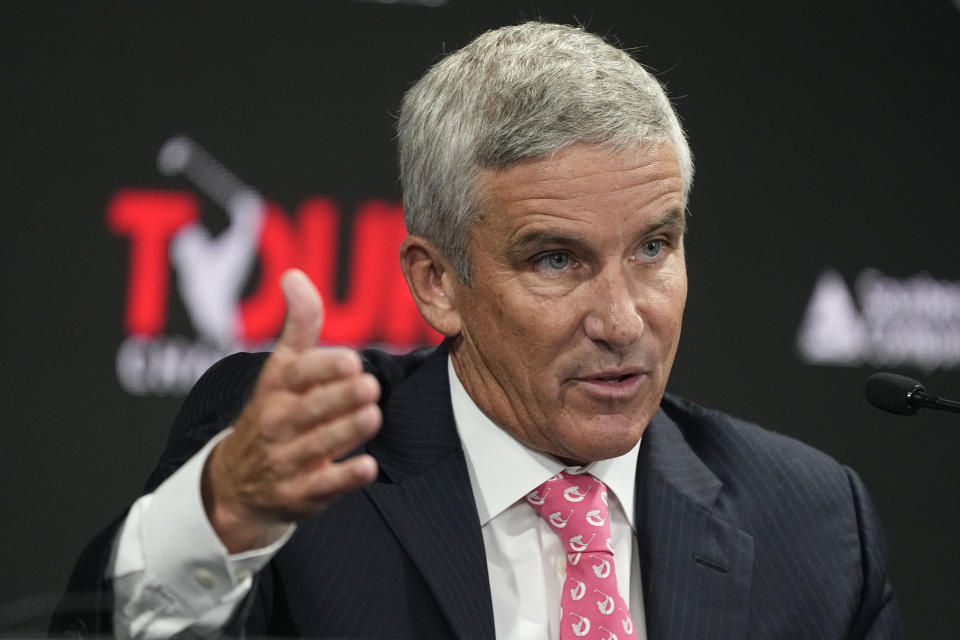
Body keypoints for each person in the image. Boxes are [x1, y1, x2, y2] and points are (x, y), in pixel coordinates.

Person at [52, 22, 903, 639]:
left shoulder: (817, 525)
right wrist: (217, 521)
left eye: (654, 246)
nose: (621, 319)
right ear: (436, 284)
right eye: (556, 261)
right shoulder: (309, 464)